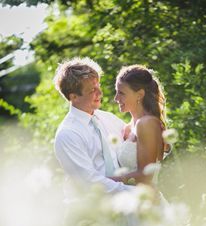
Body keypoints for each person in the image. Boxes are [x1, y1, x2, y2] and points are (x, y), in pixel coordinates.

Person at [53, 58, 134, 198]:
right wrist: (133, 192)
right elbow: (89, 182)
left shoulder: (108, 118)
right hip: (95, 212)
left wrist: (162, 146)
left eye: (99, 86)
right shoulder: (67, 134)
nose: (100, 93)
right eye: (92, 90)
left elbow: (134, 145)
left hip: (126, 204)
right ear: (73, 97)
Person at [108, 64, 169, 191]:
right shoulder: (127, 128)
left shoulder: (147, 124)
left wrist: (103, 181)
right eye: (116, 92)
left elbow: (146, 176)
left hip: (145, 199)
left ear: (139, 94)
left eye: (121, 93)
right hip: (128, 197)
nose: (116, 98)